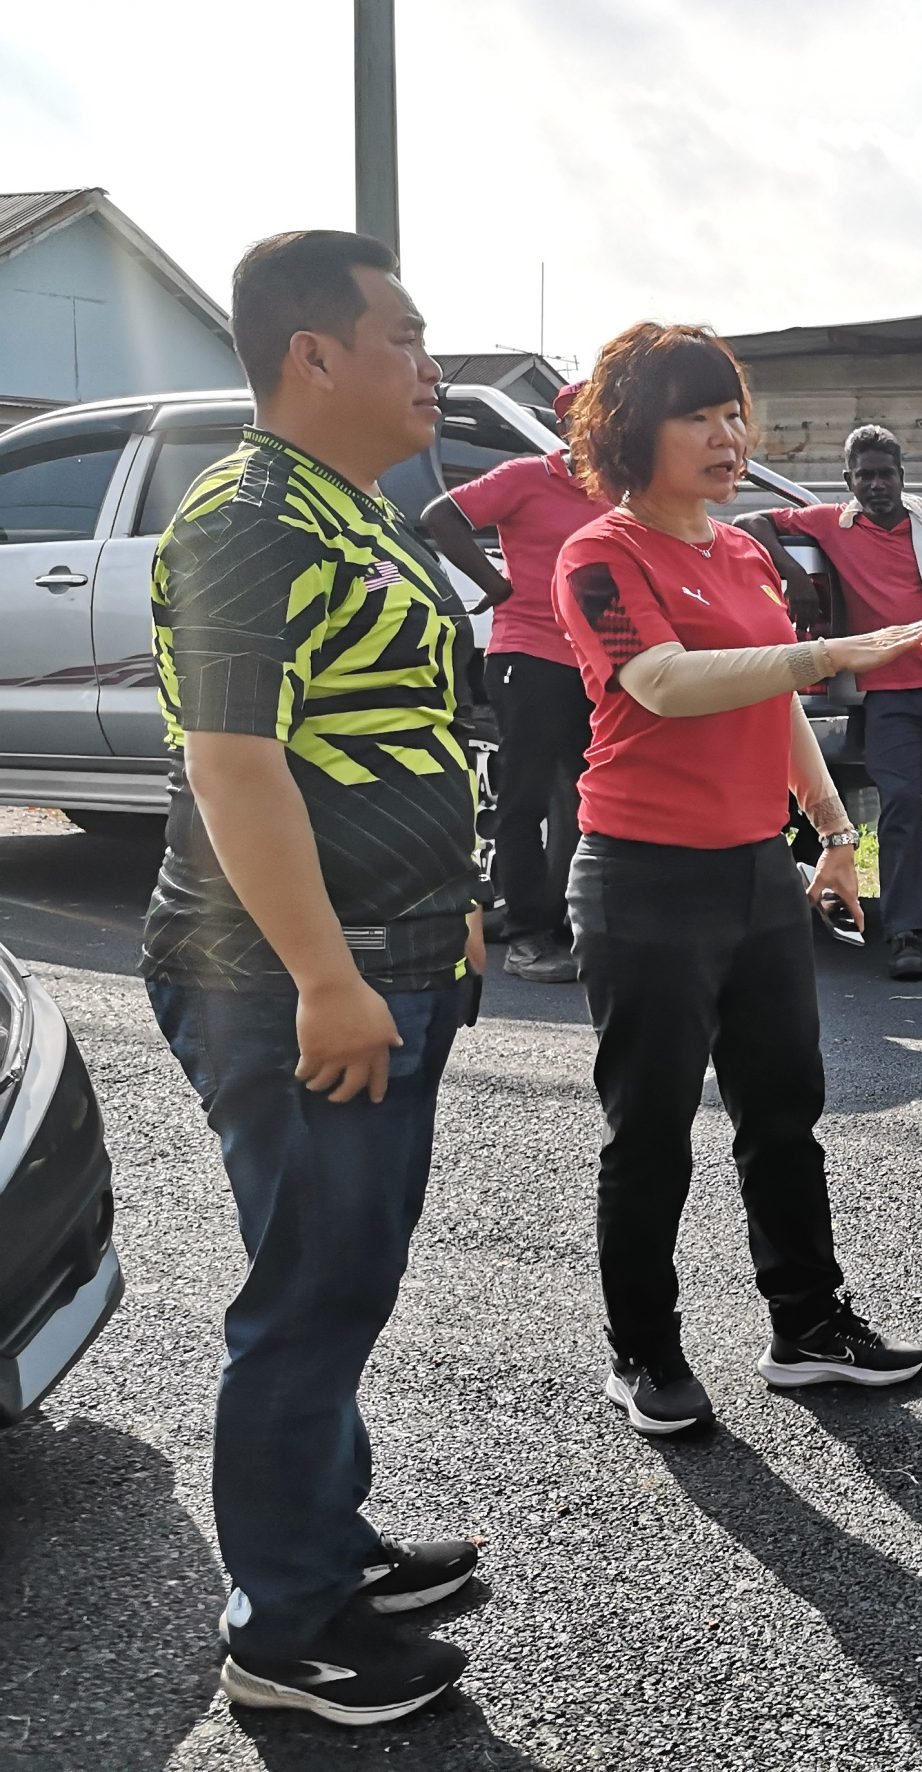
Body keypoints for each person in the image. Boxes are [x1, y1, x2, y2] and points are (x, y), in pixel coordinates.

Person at [145, 230, 486, 1725]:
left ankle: (324, 1539)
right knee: (308, 1292)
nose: (434, 366)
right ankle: (285, 1635)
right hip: (290, 982)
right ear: (315, 355)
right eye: (406, 337)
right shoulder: (246, 518)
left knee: (345, 1279)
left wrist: (448, 906)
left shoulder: (353, 507)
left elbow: (399, 721)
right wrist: (328, 981)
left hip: (394, 955)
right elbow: (232, 763)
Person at [552, 323, 922, 1437]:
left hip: (753, 872)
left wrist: (831, 830)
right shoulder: (600, 552)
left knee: (785, 1114)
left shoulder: (740, 554)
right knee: (651, 1128)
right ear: (637, 429)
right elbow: (668, 683)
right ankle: (646, 1348)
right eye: (699, 415)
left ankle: (809, 1330)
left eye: (734, 413)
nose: (730, 437)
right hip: (640, 879)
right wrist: (828, 655)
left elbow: (767, 703)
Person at [741, 429, 922, 982]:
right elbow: (752, 523)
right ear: (849, 482)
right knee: (898, 806)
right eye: (864, 475)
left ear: (901, 475)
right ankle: (904, 932)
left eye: (885, 473)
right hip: (890, 693)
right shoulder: (834, 524)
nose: (876, 484)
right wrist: (794, 574)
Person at [422, 384, 610, 984]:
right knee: (525, 801)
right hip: (527, 657)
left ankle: (585, 927)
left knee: (599, 799)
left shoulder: (628, 493)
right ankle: (530, 936)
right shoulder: (527, 477)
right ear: (571, 428)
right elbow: (440, 517)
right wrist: (496, 584)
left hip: (600, 666)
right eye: (596, 423)